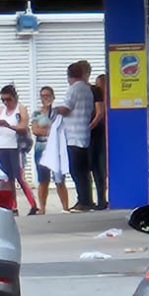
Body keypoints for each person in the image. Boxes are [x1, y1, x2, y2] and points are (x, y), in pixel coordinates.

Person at [52, 60, 101, 211]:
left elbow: (66, 109)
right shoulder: (87, 90)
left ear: (69, 76)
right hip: (84, 134)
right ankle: (88, 200)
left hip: (73, 136)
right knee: (84, 171)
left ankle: (83, 201)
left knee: (76, 170)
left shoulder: (73, 89)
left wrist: (53, 109)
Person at [0, 84, 39, 214]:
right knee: (7, 178)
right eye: (3, 100)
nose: (6, 102)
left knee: (19, 177)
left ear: (14, 98)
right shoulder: (0, 111)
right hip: (2, 146)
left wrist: (9, 126)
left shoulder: (20, 109)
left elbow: (23, 127)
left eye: (8, 99)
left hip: (15, 147)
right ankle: (13, 206)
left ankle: (33, 204)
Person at [31, 85, 69, 214]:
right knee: (43, 179)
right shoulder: (37, 113)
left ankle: (65, 207)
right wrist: (51, 131)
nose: (45, 98)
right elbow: (35, 130)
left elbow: (61, 128)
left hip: (55, 146)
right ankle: (42, 207)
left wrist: (49, 131)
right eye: (43, 96)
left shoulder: (57, 112)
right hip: (41, 147)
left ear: (53, 97)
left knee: (59, 178)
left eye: (48, 96)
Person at [89, 72, 111, 210]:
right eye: (99, 84)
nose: (100, 87)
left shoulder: (111, 101)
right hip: (95, 137)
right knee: (97, 169)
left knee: (103, 169)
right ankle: (101, 200)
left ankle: (105, 199)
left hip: (105, 137)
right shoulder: (94, 100)